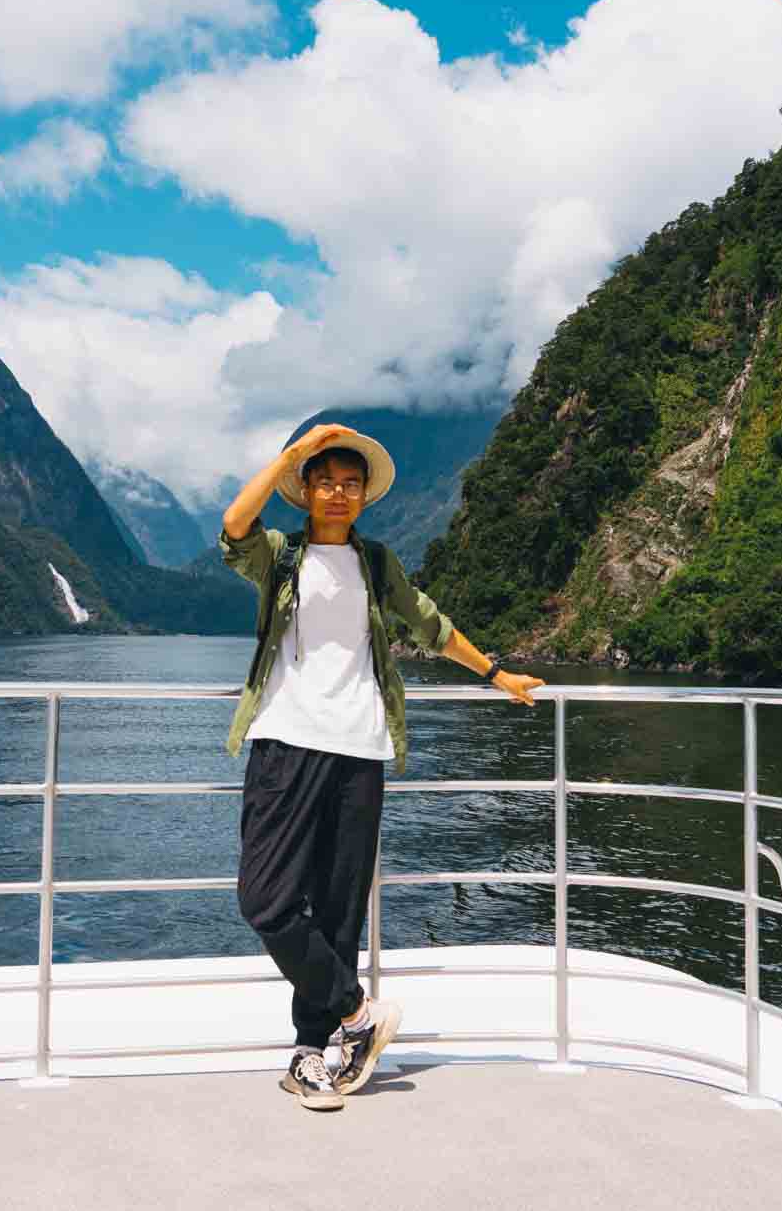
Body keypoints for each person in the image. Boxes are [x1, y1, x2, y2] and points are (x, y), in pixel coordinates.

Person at [219, 422, 545, 1111]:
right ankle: (359, 1015)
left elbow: (431, 624)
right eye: (326, 482)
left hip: (361, 749)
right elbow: (234, 524)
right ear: (304, 490)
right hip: (284, 745)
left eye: (350, 484)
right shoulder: (280, 557)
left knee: (338, 913)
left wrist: (495, 673)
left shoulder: (376, 564)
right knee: (266, 899)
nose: (339, 494)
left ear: (364, 496)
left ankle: (315, 1057)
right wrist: (288, 453)